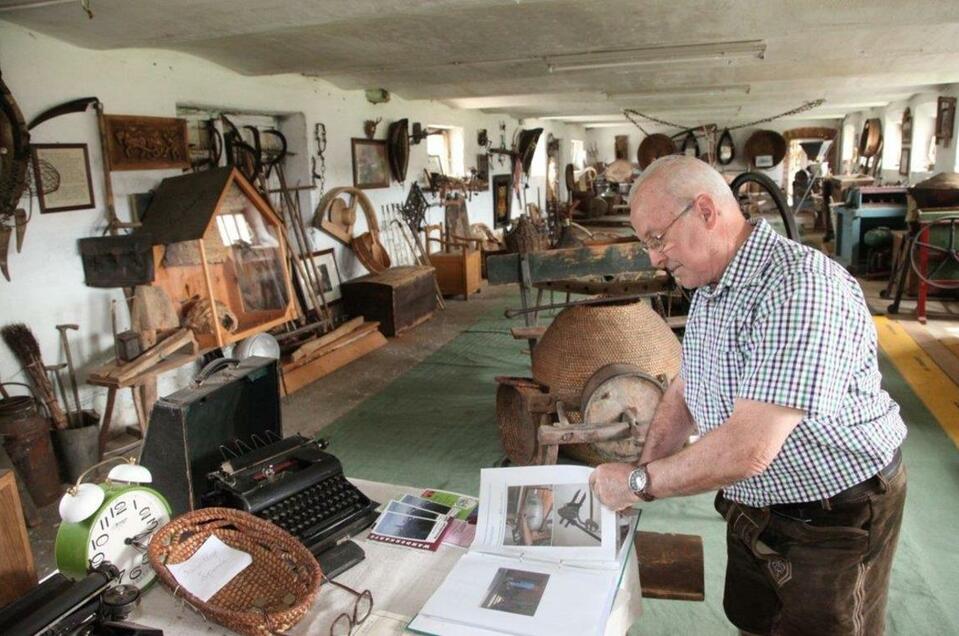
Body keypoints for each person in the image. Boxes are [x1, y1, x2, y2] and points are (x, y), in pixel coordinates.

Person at [589, 155, 907, 635]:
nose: (653, 257)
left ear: (705, 211)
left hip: (833, 511)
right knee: (753, 621)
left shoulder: (799, 286)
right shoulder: (711, 286)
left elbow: (748, 447)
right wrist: (642, 472)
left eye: (657, 239)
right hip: (753, 504)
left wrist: (640, 484)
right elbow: (686, 385)